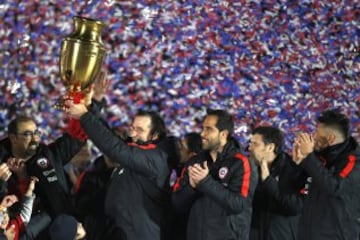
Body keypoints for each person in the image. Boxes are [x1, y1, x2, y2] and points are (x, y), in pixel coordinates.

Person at [65, 96, 170, 240]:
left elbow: (114, 147)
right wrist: (92, 105)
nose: (132, 133)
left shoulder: (154, 158)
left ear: (155, 136)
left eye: (139, 130)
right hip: (119, 232)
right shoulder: (133, 151)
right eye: (132, 128)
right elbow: (110, 137)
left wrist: (84, 115)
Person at [172, 109, 258, 240]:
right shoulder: (195, 161)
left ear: (223, 134)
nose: (202, 134)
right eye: (203, 128)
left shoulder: (240, 162)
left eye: (209, 129)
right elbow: (177, 204)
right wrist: (191, 187)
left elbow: (238, 204)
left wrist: (206, 182)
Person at [293, 109, 360, 240]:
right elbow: (295, 189)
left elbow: (334, 186)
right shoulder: (320, 157)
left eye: (317, 133)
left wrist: (309, 157)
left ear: (331, 138)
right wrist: (299, 162)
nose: (313, 136)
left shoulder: (354, 161)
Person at [248, 126, 307, 240]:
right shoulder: (249, 169)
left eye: (255, 144)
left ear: (270, 147)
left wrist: (267, 180)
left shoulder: (292, 170)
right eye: (250, 143)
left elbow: (294, 207)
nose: (249, 148)